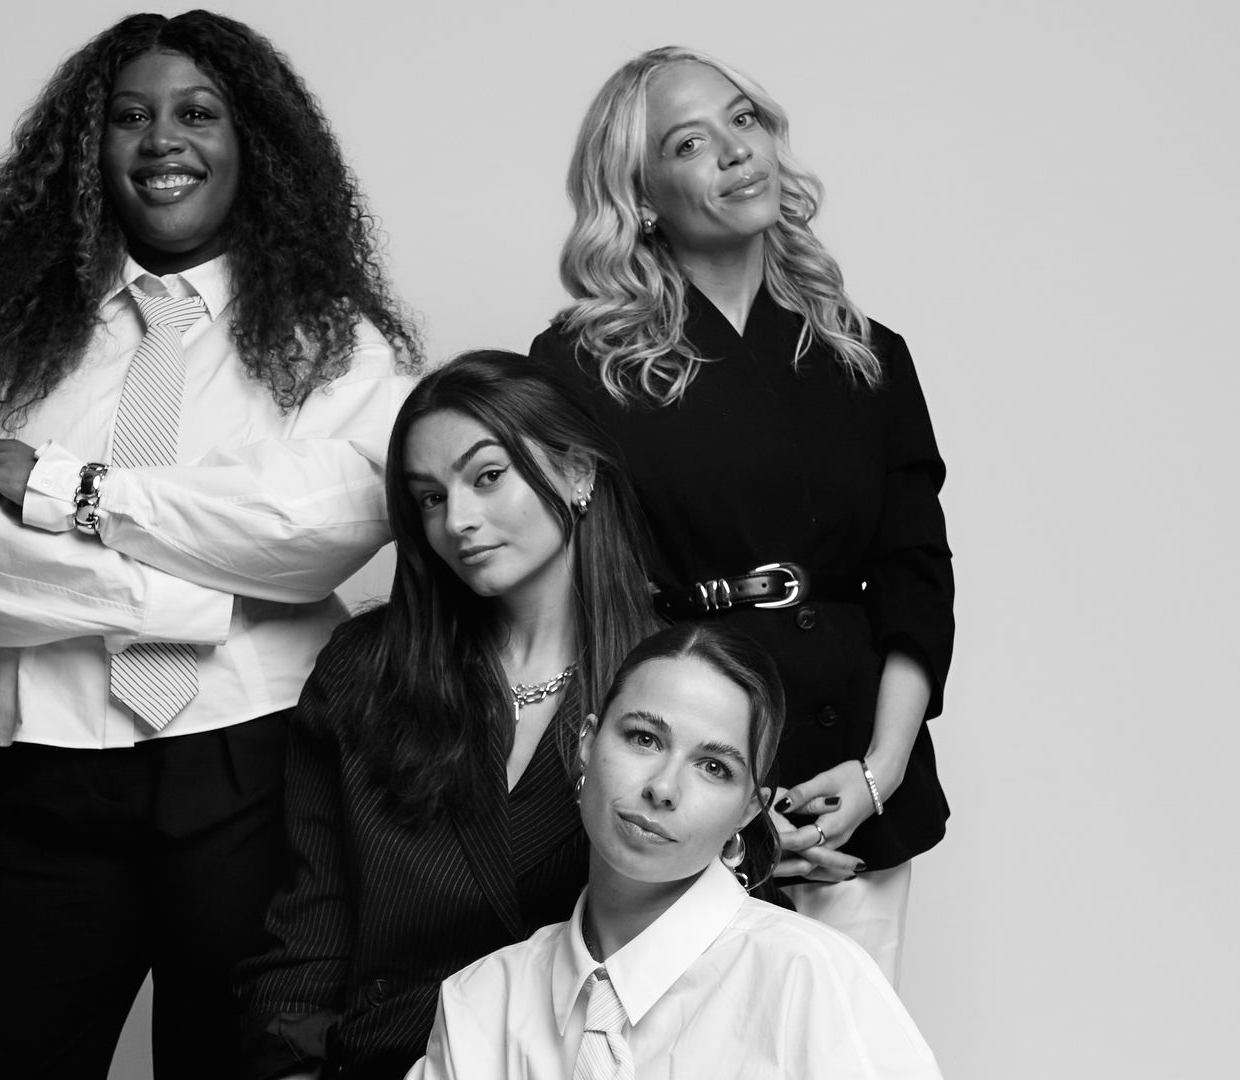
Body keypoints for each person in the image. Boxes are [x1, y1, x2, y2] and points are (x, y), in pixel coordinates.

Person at [0, 10, 419, 1076]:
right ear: (86, 149)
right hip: (48, 776)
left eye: (198, 113)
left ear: (255, 143)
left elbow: (321, 525)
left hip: (263, 773)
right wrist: (182, 599)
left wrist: (66, 490)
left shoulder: (333, 338)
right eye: (129, 117)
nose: (164, 141)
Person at [531, 46, 954, 984]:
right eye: (691, 142)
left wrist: (877, 774)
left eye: (744, 120)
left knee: (839, 1050)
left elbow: (917, 577)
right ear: (640, 194)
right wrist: (736, 816)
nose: (736, 151)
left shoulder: (869, 354)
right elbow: (576, 606)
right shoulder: (577, 366)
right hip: (681, 779)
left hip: (855, 777)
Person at [238, 351, 663, 1080]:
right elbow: (309, 931)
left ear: (577, 472)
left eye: (487, 476)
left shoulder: (670, 689)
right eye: (429, 498)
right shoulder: (366, 673)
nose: (458, 521)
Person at [408, 622, 942, 1079]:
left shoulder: (812, 979)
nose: (663, 787)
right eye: (644, 738)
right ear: (587, 746)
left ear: (749, 810)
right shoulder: (478, 1002)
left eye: (714, 768)